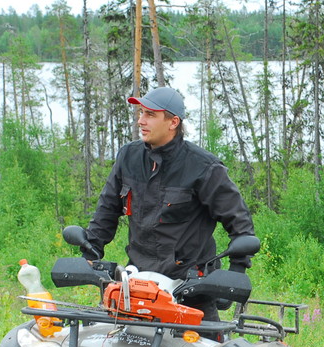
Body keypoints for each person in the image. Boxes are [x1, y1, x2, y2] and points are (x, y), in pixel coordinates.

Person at [82, 86, 255, 321]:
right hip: (137, 285)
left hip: (191, 289)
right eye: (141, 113)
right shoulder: (129, 157)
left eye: (150, 115)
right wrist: (90, 251)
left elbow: (239, 221)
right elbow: (107, 209)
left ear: (173, 122)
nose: (141, 121)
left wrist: (236, 271)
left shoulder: (204, 167)